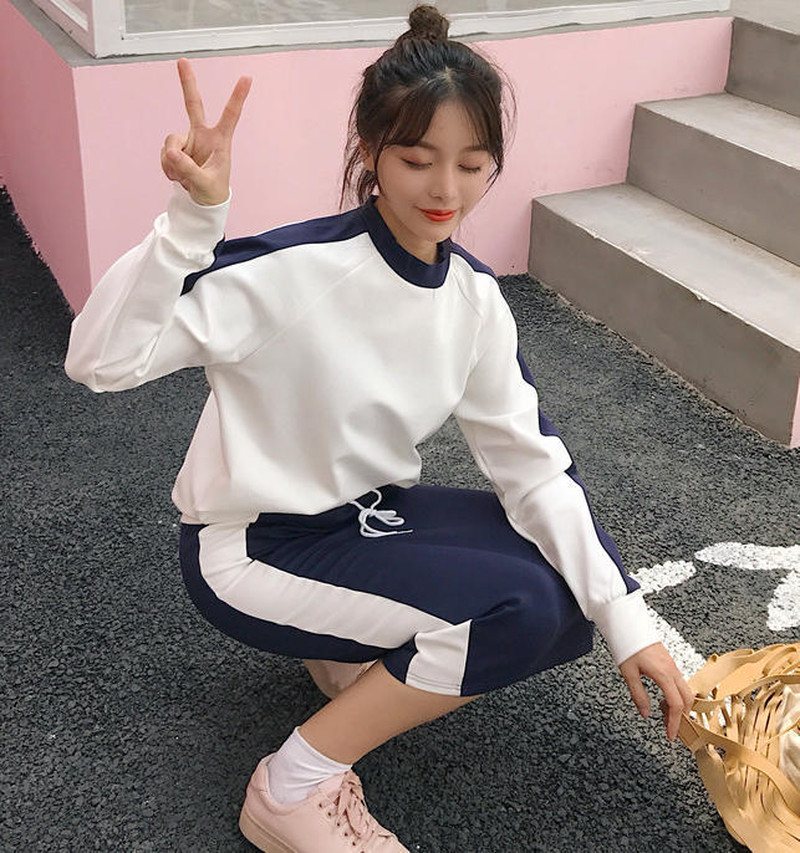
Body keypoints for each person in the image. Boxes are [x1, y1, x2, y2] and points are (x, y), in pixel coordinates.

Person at [65, 6, 694, 851]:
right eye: (417, 160)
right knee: (519, 609)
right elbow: (100, 361)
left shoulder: (474, 301)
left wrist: (628, 622)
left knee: (564, 591)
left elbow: (535, 469)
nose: (446, 192)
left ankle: (347, 658)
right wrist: (191, 220)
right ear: (370, 151)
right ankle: (291, 785)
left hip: (361, 520)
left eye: (472, 164)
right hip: (252, 546)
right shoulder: (294, 273)